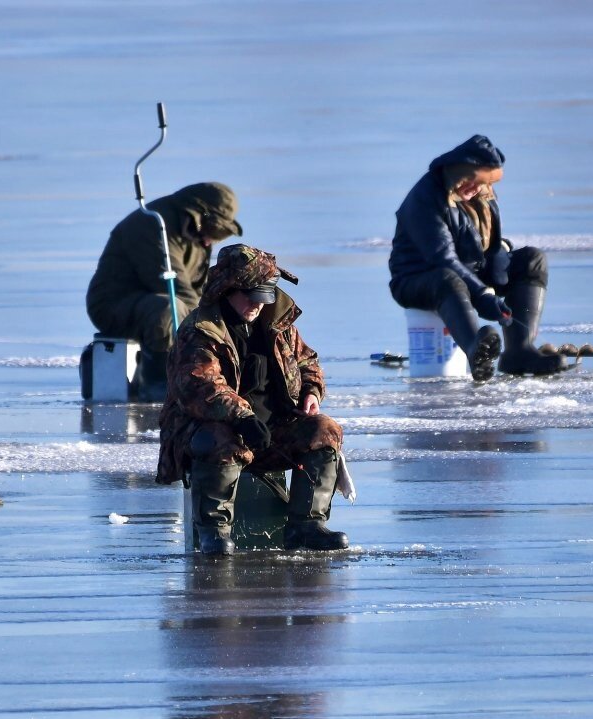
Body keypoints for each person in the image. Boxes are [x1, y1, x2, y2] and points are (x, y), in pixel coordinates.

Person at [156, 244, 349, 556]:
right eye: (250, 296)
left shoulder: (277, 324)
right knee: (217, 438)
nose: (257, 305)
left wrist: (312, 392)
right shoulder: (201, 331)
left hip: (271, 432)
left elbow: (307, 361)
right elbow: (202, 386)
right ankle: (214, 532)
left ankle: (307, 525)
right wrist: (244, 418)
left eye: (264, 296)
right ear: (229, 289)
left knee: (324, 430)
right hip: (209, 431)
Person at [388, 134, 566, 380]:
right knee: (447, 279)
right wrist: (482, 295)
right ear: (458, 173)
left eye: (482, 184)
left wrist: (501, 257)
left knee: (530, 260)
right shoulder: (424, 199)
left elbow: (487, 241)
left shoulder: (481, 195)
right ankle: (475, 350)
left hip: (470, 271)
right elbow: (443, 258)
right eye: (471, 181)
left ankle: (519, 351)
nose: (475, 189)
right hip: (416, 279)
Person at [87, 182, 242, 401]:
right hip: (114, 305)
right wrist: (207, 326)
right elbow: (173, 285)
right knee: (170, 309)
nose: (212, 240)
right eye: (214, 231)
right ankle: (160, 381)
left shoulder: (193, 233)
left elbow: (198, 289)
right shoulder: (153, 224)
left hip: (159, 302)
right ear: (198, 216)